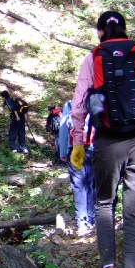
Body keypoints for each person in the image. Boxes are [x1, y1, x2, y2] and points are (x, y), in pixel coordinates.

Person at [70, 11, 135, 268]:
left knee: (104, 202)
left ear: (100, 32)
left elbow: (79, 105)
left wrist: (77, 142)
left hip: (107, 142)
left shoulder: (92, 59)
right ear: (124, 29)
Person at [58, 100, 95, 235]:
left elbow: (63, 129)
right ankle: (92, 219)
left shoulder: (70, 105)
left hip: (74, 149)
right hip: (92, 149)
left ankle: (82, 223)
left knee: (79, 187)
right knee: (91, 184)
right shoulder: (95, 101)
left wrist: (62, 152)